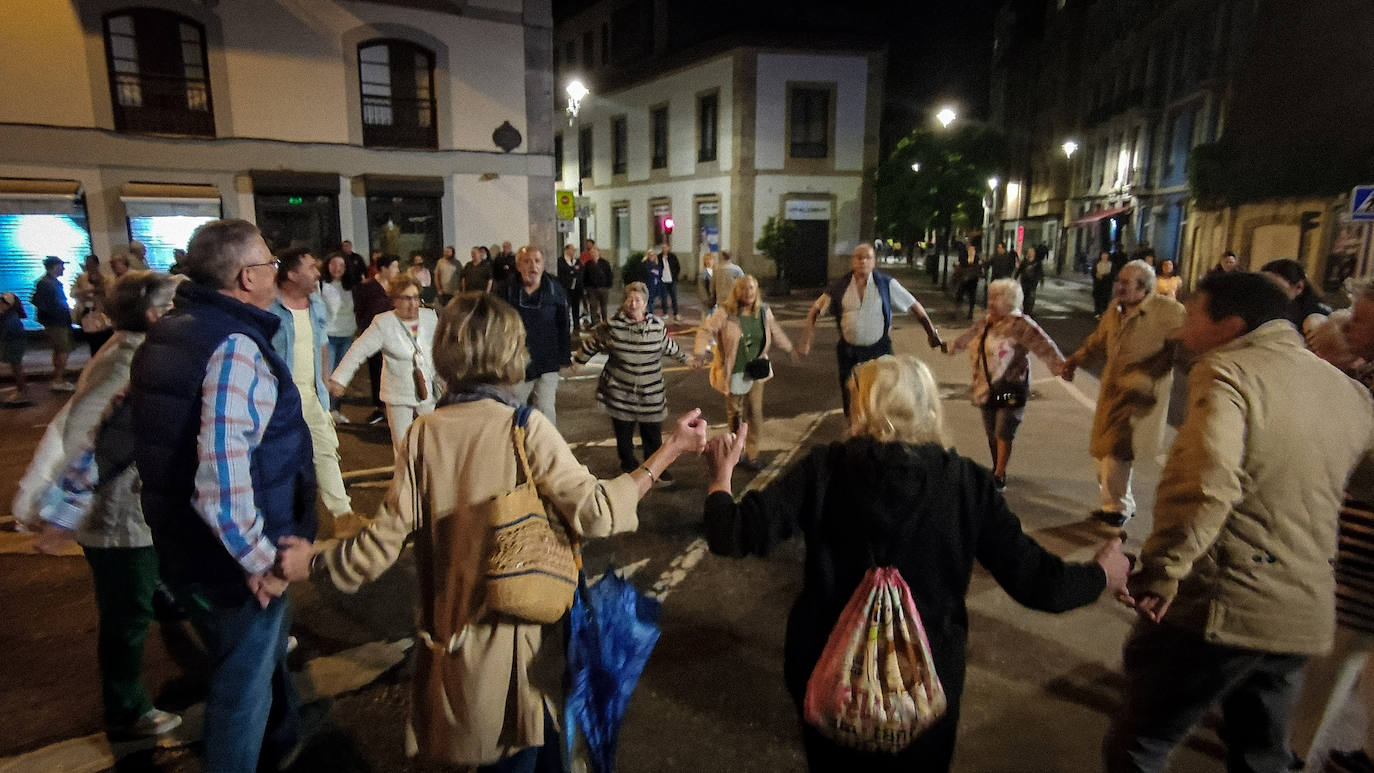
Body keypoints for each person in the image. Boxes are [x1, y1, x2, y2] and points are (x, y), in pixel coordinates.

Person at [310, 291, 707, 770]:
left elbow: (378, 547)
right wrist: (670, 450)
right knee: (530, 754)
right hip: (526, 649)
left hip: (455, 645)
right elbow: (599, 511)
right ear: (510, 353)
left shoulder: (422, 435)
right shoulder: (525, 427)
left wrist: (311, 563)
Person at [702, 354, 1130, 773]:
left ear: (863, 407)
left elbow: (733, 534)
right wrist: (1101, 575)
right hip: (924, 684)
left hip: (829, 676)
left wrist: (721, 477)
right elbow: (1039, 583)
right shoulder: (967, 484)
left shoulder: (825, 470)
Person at [1103, 271, 1374, 773]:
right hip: (1301, 609)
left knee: (1140, 744)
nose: (1181, 331)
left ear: (1231, 323)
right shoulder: (1349, 392)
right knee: (1262, 755)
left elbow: (1205, 483)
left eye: (1194, 316)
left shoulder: (1228, 374)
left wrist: (1161, 572)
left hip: (1222, 605)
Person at [128, 218, 317, 773]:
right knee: (241, 694)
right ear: (245, 276)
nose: (275, 270)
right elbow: (219, 480)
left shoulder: (172, 329)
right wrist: (260, 561)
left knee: (259, 666)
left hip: (187, 550)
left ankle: (282, 743)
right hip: (234, 564)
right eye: (269, 262)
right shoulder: (234, 347)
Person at [33, 271, 184, 739]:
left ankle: (242, 639)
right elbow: (90, 439)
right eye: (178, 305)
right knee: (127, 616)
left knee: (169, 589)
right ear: (156, 314)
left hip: (139, 511)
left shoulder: (133, 352)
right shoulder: (128, 363)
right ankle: (125, 711)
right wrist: (63, 513)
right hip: (120, 516)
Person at [1290, 282, 1374, 773]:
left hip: (1363, 551)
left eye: (1360, 319)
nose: (1347, 325)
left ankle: (1295, 753)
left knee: (1332, 653)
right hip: (1352, 538)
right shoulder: (1362, 374)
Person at [1060, 260, 1184, 527]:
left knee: (1117, 449)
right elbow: (1096, 343)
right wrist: (1075, 361)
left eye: (1125, 283)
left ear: (1145, 288)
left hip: (1142, 396)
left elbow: (1191, 342)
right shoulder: (1114, 312)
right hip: (1112, 392)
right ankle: (1120, 503)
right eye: (1119, 281)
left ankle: (1115, 508)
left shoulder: (1167, 312)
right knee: (1104, 452)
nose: (1119, 286)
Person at [269, 248, 364, 539]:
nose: (317, 272)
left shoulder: (316, 304)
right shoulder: (268, 307)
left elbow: (322, 345)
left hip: (312, 394)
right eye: (311, 267)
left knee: (325, 451)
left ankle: (343, 516)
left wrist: (325, 381)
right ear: (291, 274)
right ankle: (279, 526)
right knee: (280, 460)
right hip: (278, 399)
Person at [799, 243, 945, 415]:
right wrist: (807, 338)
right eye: (859, 257)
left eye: (867, 257)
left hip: (879, 351)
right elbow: (816, 309)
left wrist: (931, 333)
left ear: (874, 262)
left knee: (880, 396)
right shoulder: (841, 286)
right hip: (849, 353)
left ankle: (879, 433)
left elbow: (914, 306)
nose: (863, 261)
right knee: (851, 395)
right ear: (853, 261)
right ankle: (855, 432)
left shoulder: (886, 284)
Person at [948, 278, 1065, 490]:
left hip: (1012, 386)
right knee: (991, 430)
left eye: (996, 298)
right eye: (990, 297)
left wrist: (1061, 367)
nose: (990, 302)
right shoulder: (986, 322)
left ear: (1010, 301)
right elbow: (968, 338)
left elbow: (1044, 345)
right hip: (985, 386)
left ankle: (1000, 473)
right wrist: (951, 347)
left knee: (1005, 429)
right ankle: (996, 466)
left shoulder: (1021, 324)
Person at [575, 281, 691, 477]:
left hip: (650, 393)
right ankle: (628, 464)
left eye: (638, 300)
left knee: (652, 435)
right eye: (630, 299)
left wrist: (688, 359)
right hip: (620, 391)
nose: (633, 303)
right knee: (624, 434)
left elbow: (670, 347)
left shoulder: (656, 327)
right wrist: (579, 361)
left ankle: (655, 467)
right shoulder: (613, 326)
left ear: (645, 304)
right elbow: (593, 343)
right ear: (624, 302)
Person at [694, 274, 796, 471]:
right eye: (743, 288)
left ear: (756, 290)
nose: (747, 292)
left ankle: (753, 454)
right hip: (733, 371)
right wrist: (699, 353)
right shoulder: (726, 312)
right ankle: (736, 451)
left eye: (751, 288)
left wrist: (789, 348)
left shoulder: (764, 311)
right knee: (735, 414)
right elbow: (706, 330)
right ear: (736, 291)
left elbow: (775, 330)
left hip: (756, 371)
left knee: (755, 413)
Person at [331, 275, 439, 452]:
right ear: (395, 299)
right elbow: (359, 350)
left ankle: (429, 478)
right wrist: (340, 379)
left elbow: (440, 350)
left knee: (432, 440)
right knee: (402, 445)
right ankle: (405, 478)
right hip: (398, 391)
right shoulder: (383, 323)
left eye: (416, 297)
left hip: (428, 390)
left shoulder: (430, 318)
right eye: (406, 298)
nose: (413, 303)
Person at [499, 246, 571, 426]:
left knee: (545, 411)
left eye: (537, 261)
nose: (533, 266)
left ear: (543, 265)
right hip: (515, 364)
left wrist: (564, 356)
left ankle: (545, 450)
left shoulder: (555, 291)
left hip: (547, 363)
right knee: (513, 412)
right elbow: (495, 326)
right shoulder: (505, 291)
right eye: (527, 261)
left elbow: (564, 326)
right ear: (518, 266)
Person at [352, 254, 401, 425]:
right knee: (376, 371)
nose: (397, 270)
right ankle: (380, 408)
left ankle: (395, 406)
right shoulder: (367, 287)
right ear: (383, 269)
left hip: (395, 336)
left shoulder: (397, 287)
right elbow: (360, 312)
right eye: (394, 266)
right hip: (375, 335)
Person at [319, 252, 357, 423]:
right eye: (334, 264)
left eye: (341, 265)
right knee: (327, 375)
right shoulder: (321, 285)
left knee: (341, 375)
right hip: (328, 335)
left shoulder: (353, 286)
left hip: (347, 333)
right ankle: (325, 411)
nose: (337, 269)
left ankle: (335, 410)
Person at [33, 255, 77, 392]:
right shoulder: (47, 283)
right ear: (55, 267)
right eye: (61, 266)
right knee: (63, 350)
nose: (63, 268)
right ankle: (58, 380)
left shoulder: (49, 282)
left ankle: (58, 376)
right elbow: (46, 304)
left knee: (58, 350)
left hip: (55, 321)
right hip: (57, 322)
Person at [1261, 258, 1332, 341]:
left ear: (1299, 287)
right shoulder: (1264, 310)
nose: (1267, 293)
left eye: (1276, 287)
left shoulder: (1318, 317)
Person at [73, 253, 114, 355]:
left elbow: (109, 294)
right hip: (88, 311)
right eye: (87, 264)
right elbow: (73, 293)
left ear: (97, 264)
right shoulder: (81, 278)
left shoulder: (105, 278)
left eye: (91, 264)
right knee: (93, 340)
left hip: (102, 311)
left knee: (105, 338)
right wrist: (87, 293)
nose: (89, 266)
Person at [0, 291, 29, 405]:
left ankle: (22, 391)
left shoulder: (9, 318)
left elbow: (5, 332)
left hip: (14, 344)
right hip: (14, 343)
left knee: (17, 368)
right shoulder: (10, 316)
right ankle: (21, 390)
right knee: (16, 367)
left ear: (7, 304)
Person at [581, 243, 614, 324]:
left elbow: (609, 274)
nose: (593, 254)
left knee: (604, 307)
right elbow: (584, 276)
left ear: (598, 253)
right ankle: (594, 322)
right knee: (593, 306)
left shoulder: (605, 263)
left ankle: (605, 322)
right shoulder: (588, 264)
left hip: (603, 288)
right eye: (591, 253)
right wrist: (586, 287)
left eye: (594, 252)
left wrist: (608, 285)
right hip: (592, 289)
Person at [557, 243, 585, 328]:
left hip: (576, 288)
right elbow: (563, 272)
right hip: (566, 288)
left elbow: (581, 271)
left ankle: (576, 324)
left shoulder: (577, 261)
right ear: (566, 250)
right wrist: (573, 270)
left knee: (576, 306)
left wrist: (572, 271)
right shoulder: (561, 261)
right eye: (572, 249)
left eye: (574, 250)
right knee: (566, 306)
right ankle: (566, 324)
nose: (573, 251)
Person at [953, 242, 982, 320]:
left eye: (973, 250)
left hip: (973, 281)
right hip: (964, 280)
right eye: (970, 249)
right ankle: (957, 312)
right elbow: (961, 263)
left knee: (972, 297)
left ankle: (970, 313)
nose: (971, 251)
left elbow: (979, 267)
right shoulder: (963, 256)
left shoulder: (977, 258)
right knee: (960, 295)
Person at [1014, 244, 1046, 315]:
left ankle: (1029, 311)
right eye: (1029, 252)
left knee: (1031, 298)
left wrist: (1041, 281)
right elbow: (1019, 270)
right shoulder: (1024, 261)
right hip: (1024, 283)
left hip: (1032, 283)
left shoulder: (1037, 262)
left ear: (1034, 253)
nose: (1030, 253)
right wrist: (1014, 279)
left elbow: (1040, 272)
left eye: (1032, 252)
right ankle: (1026, 310)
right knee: (1025, 298)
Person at [656, 243, 682, 321]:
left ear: (668, 248)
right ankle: (665, 313)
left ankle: (676, 313)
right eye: (662, 248)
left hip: (671, 280)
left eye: (665, 247)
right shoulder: (659, 257)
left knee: (674, 297)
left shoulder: (672, 256)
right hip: (663, 280)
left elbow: (677, 267)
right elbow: (657, 267)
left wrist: (675, 276)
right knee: (664, 297)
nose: (664, 249)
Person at [1092, 250, 1115, 316]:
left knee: (1105, 299)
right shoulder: (1097, 263)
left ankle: (1104, 312)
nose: (1104, 256)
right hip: (1098, 284)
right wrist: (1096, 275)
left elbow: (1112, 274)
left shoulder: (1111, 264)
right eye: (1103, 255)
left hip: (1106, 285)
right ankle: (1097, 312)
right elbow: (1093, 272)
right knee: (1097, 298)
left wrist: (1104, 276)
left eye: (1106, 255)